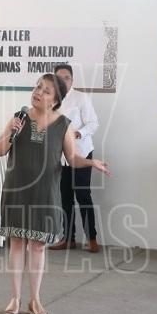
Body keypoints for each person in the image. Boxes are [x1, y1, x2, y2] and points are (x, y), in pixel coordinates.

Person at [0, 74, 110, 314]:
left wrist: (92, 162)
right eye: (38, 87)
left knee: (37, 246)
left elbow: (72, 159)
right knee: (17, 243)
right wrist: (10, 132)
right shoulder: (19, 118)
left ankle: (34, 300)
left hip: (45, 193)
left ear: (56, 100)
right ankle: (15, 298)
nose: (38, 92)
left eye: (46, 91)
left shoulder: (64, 125)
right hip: (17, 190)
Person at [50, 64, 102, 253]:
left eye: (67, 78)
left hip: (81, 153)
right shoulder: (51, 100)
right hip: (60, 156)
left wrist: (78, 134)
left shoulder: (81, 98)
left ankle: (92, 238)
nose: (64, 81)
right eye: (60, 78)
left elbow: (93, 123)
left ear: (72, 80)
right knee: (65, 198)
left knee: (83, 196)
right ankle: (68, 239)